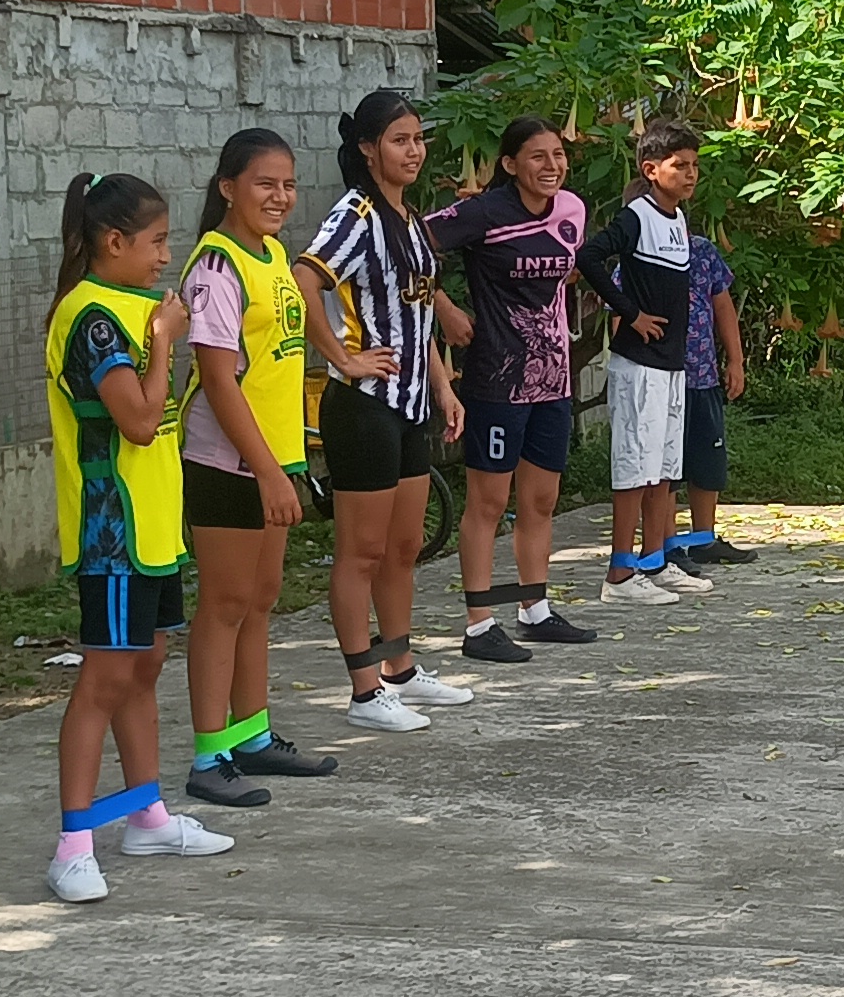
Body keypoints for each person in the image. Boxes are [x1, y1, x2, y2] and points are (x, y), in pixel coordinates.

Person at [42, 174, 234, 906]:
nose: (164, 257)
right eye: (155, 242)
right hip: (112, 531)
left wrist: (159, 335)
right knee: (104, 679)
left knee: (145, 667)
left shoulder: (131, 304)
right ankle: (73, 844)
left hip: (152, 526)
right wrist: (161, 344)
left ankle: (146, 814)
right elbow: (141, 421)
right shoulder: (92, 317)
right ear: (114, 241)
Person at [298, 90, 479, 733]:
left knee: (403, 546)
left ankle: (400, 668)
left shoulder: (410, 218)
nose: (414, 151)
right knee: (362, 551)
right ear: (368, 149)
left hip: (411, 403)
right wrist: (342, 359)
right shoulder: (356, 214)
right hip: (364, 406)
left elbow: (420, 314)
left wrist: (444, 387)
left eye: (418, 139)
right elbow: (304, 278)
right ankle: (363, 689)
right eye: (399, 140)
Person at [177, 130, 340, 807]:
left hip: (274, 456)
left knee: (260, 598)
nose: (280, 196)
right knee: (224, 605)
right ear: (228, 188)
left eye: (288, 184)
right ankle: (209, 754)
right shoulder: (216, 267)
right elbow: (219, 381)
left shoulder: (272, 254)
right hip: (226, 461)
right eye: (265, 184)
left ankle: (252, 734)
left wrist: (285, 463)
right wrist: (268, 472)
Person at [431, 117, 598, 662]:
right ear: (509, 164)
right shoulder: (485, 212)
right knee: (488, 501)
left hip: (553, 380)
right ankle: (479, 623)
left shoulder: (571, 209)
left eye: (558, 154)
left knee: (541, 499)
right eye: (537, 156)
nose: (552, 165)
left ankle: (534, 609)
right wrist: (444, 305)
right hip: (496, 379)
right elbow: (408, 244)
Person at [581, 120, 711, 606]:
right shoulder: (637, 216)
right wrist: (630, 313)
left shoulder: (677, 219)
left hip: (672, 364)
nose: (691, 174)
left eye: (695, 165)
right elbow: (590, 256)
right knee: (634, 468)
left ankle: (654, 561)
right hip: (640, 365)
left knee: (663, 469)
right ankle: (619, 573)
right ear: (651, 170)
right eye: (680, 165)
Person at [668, 213, 753, 574]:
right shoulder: (638, 254)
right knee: (665, 468)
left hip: (702, 376)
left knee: (708, 461)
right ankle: (667, 545)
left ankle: (703, 540)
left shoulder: (702, 251)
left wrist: (735, 360)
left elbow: (722, 306)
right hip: (661, 379)